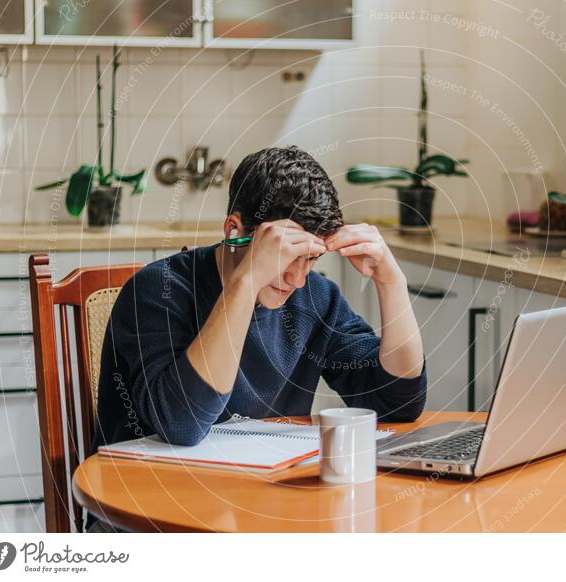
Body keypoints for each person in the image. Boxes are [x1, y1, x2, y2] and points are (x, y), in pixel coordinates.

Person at [93, 145, 427, 454]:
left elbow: (397, 405)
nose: (297, 280)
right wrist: (247, 281)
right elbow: (182, 425)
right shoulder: (158, 291)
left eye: (310, 258)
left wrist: (392, 282)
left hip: (254, 499)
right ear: (234, 230)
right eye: (284, 255)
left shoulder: (316, 297)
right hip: (145, 504)